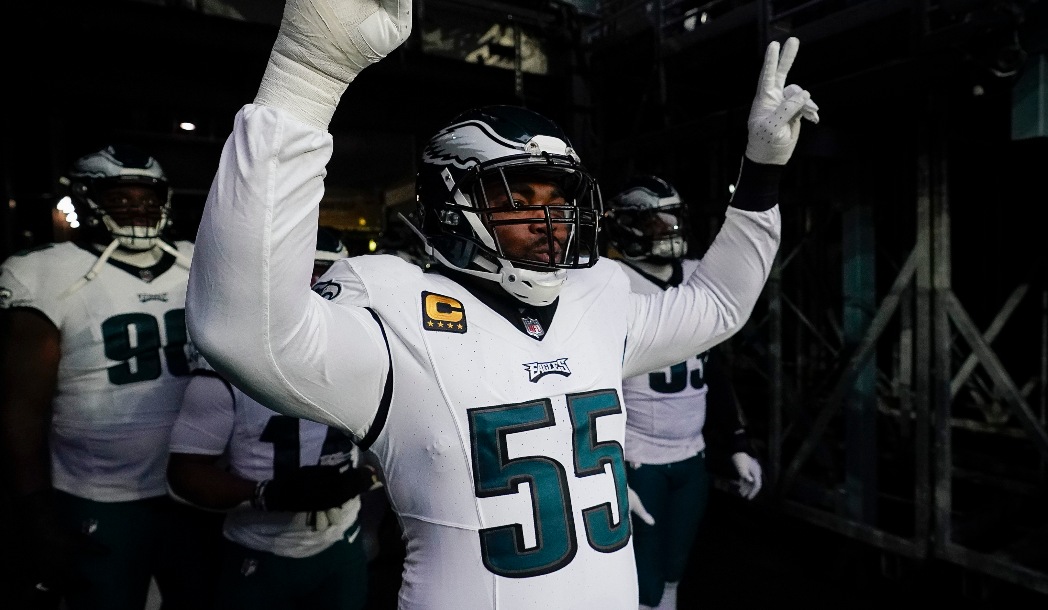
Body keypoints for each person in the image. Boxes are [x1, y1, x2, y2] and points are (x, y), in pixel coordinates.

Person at [185, 0, 818, 606]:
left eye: (561, 198)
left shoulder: (597, 295)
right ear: (452, 203)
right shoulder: (397, 306)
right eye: (521, 195)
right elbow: (241, 329)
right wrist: (306, 75)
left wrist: (761, 173)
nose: (551, 218)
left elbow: (716, 307)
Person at [0, 144, 220, 609]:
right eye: (121, 196)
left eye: (147, 196)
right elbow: (23, 408)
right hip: (98, 494)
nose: (138, 207)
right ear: (86, 199)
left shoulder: (196, 260)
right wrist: (35, 509)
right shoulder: (44, 270)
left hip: (193, 484)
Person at [167, 227, 381, 610]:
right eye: (305, 272)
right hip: (261, 547)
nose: (316, 286)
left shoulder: (368, 356)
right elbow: (186, 473)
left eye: (326, 274)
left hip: (342, 539)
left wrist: (370, 474)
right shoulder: (229, 365)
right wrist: (266, 493)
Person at [604, 175, 764, 610]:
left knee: (674, 574)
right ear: (626, 225)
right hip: (637, 457)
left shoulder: (697, 275)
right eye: (656, 222)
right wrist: (605, 468)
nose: (669, 230)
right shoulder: (607, 282)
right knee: (644, 585)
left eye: (673, 219)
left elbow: (715, 368)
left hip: (690, 455)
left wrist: (735, 442)